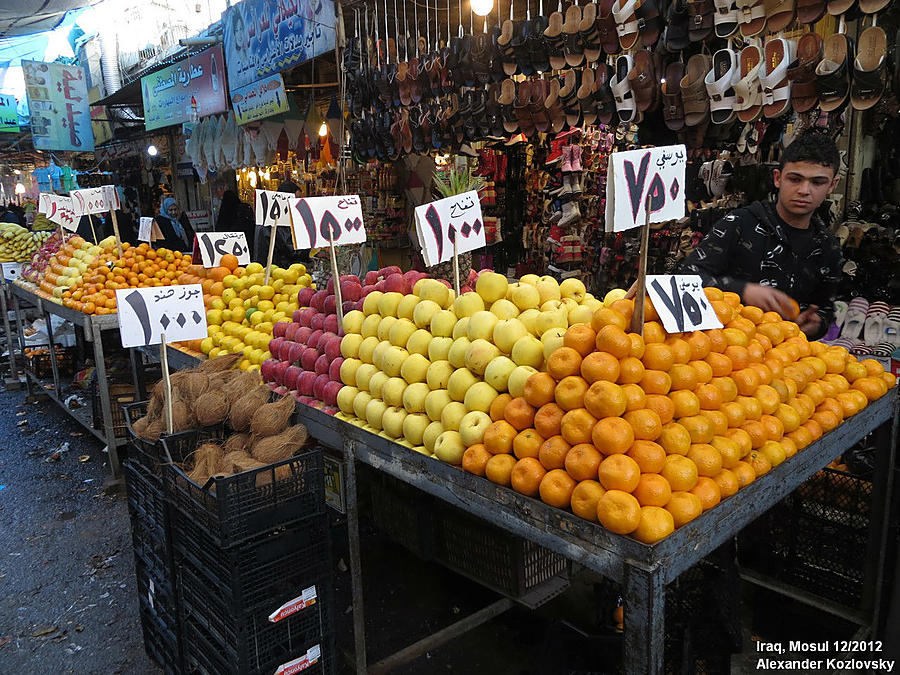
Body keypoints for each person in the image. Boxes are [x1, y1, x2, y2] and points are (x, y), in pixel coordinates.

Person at [679, 132, 843, 339]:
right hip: (726, 352)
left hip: (787, 358)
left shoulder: (828, 247)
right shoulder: (739, 224)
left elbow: (826, 307)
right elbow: (685, 279)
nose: (804, 190)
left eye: (817, 182)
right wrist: (741, 291)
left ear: (832, 186)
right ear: (777, 178)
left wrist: (816, 322)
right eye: (795, 179)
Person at [253, 180, 309, 267]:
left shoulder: (268, 217)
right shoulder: (279, 219)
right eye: (296, 199)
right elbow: (291, 250)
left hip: (264, 267)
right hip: (275, 269)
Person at [216, 190, 256, 259]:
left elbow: (220, 230)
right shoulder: (244, 209)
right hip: (248, 248)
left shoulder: (224, 213)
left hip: (230, 252)